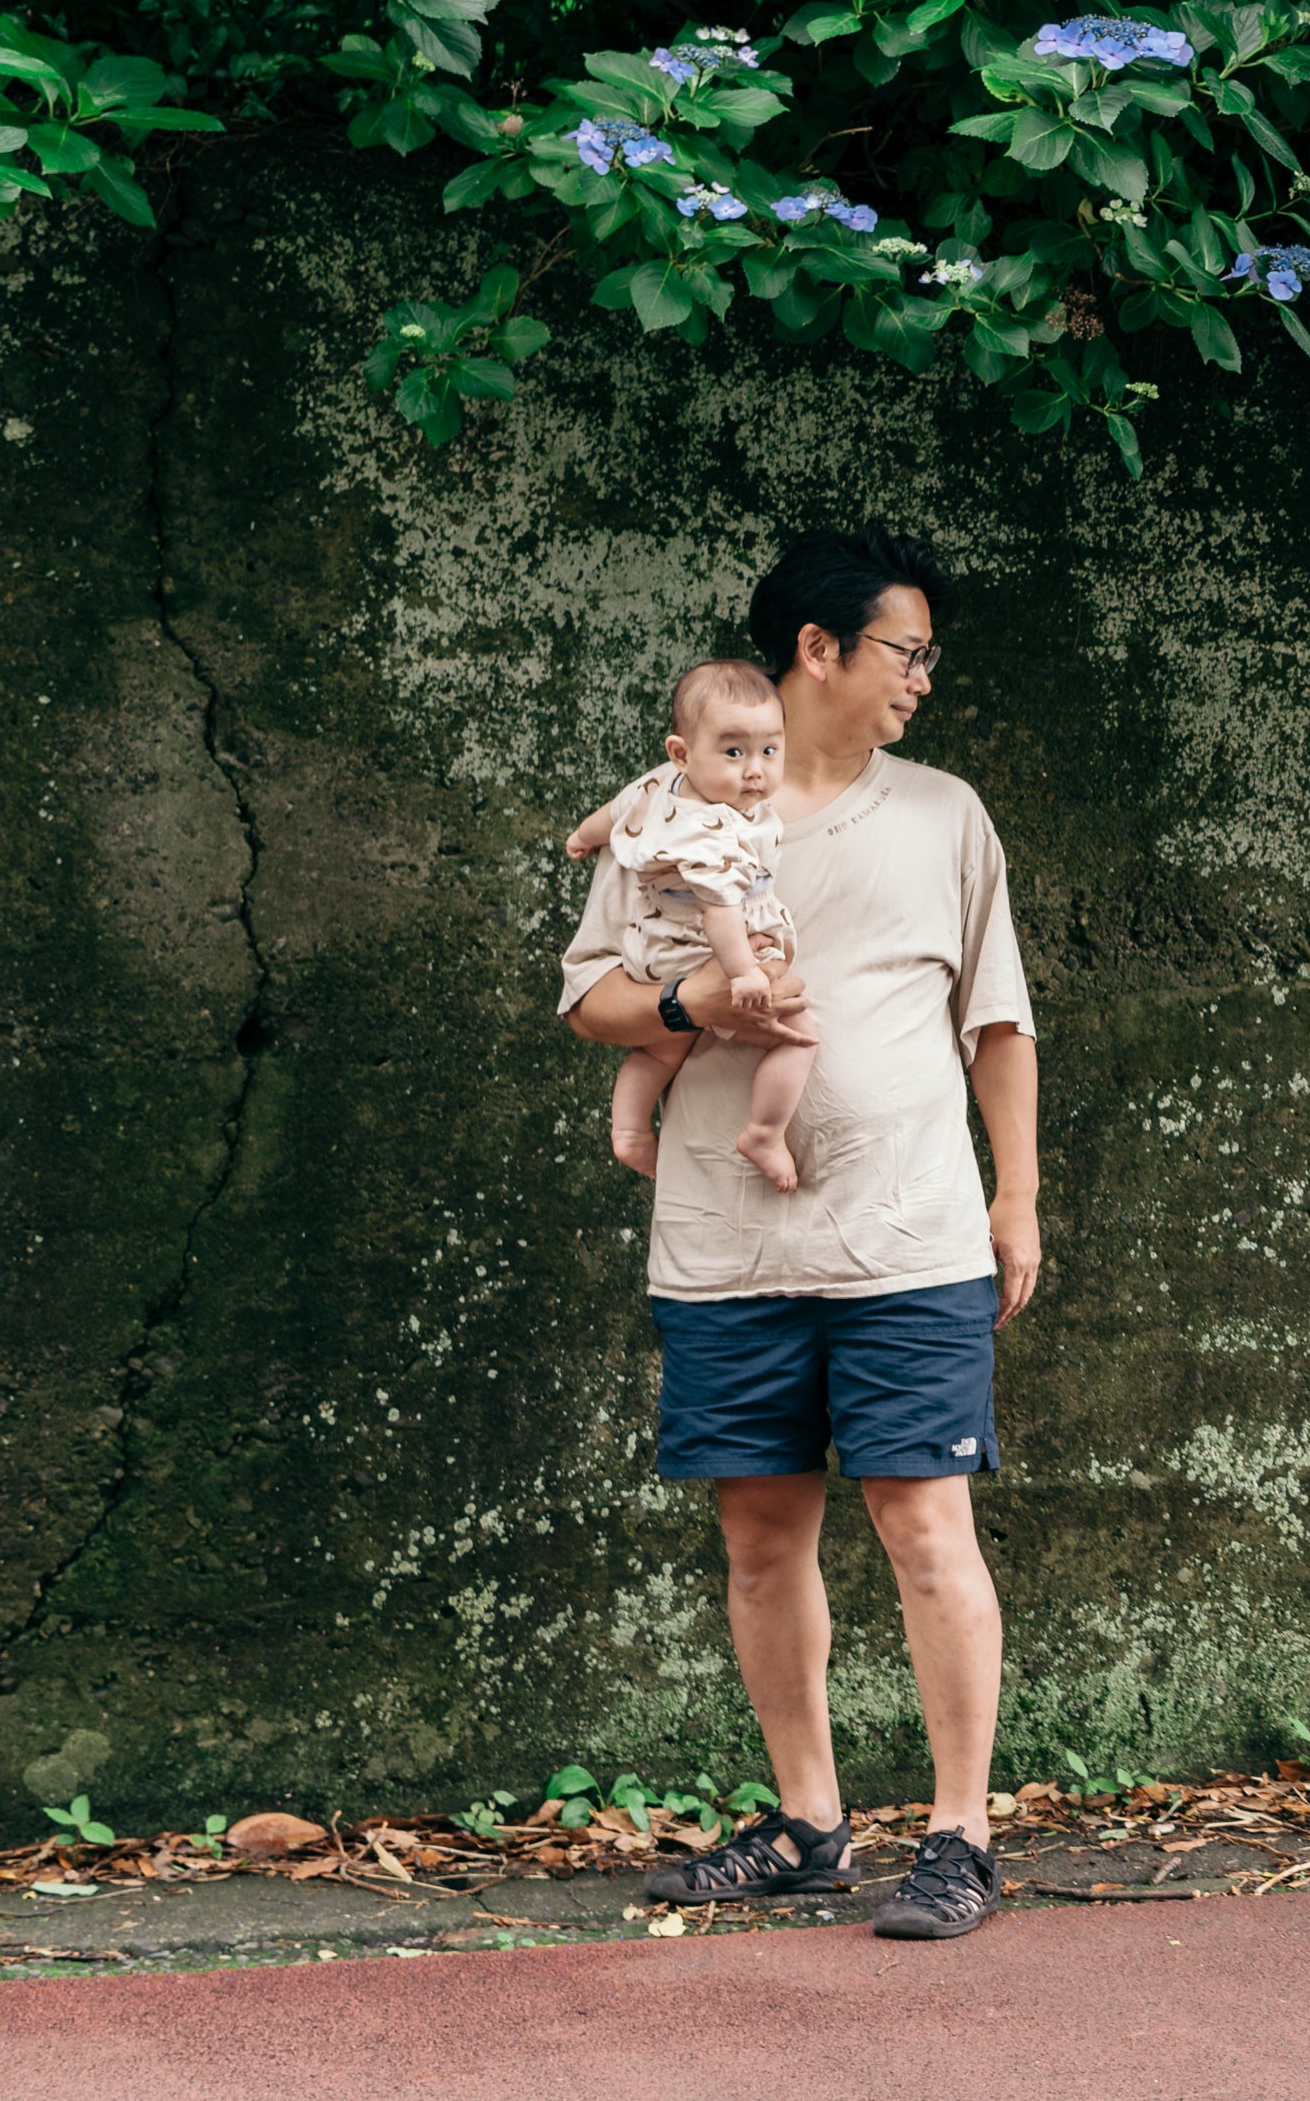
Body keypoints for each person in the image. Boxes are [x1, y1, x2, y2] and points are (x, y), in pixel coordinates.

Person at [559, 529, 1040, 1941]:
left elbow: (996, 1020)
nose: (923, 680)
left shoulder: (945, 813)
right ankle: (811, 1818)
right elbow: (589, 997)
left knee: (923, 1521)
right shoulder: (665, 807)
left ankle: (960, 1832)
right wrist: (694, 1005)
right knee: (763, 1539)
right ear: (817, 648)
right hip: (725, 1243)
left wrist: (1017, 1192)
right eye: (907, 650)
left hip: (908, 1239)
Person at [568, 660, 819, 1189]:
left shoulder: (664, 785)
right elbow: (720, 910)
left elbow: (617, 811)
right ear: (681, 751)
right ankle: (764, 1133)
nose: (755, 770)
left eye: (769, 751)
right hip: (704, 947)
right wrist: (744, 972)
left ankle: (631, 1127)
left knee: (663, 1045)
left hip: (659, 944)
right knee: (799, 1035)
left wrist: (584, 836)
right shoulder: (709, 831)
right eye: (734, 752)